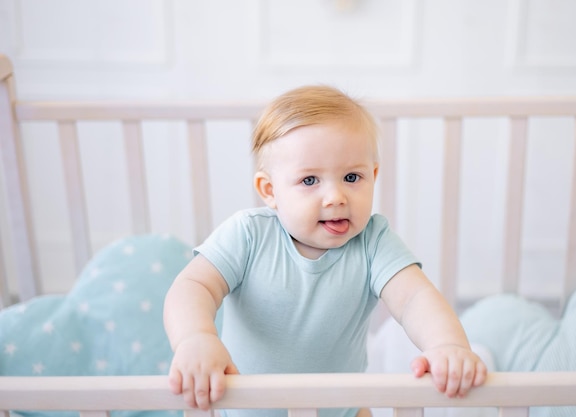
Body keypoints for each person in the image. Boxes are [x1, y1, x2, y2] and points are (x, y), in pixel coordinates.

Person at [163, 85, 487, 417]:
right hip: (246, 412)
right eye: (309, 181)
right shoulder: (247, 234)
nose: (335, 197)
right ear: (270, 190)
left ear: (373, 176)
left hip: (341, 410)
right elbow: (193, 287)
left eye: (351, 177)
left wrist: (446, 344)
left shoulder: (374, 241)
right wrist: (196, 338)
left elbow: (415, 298)